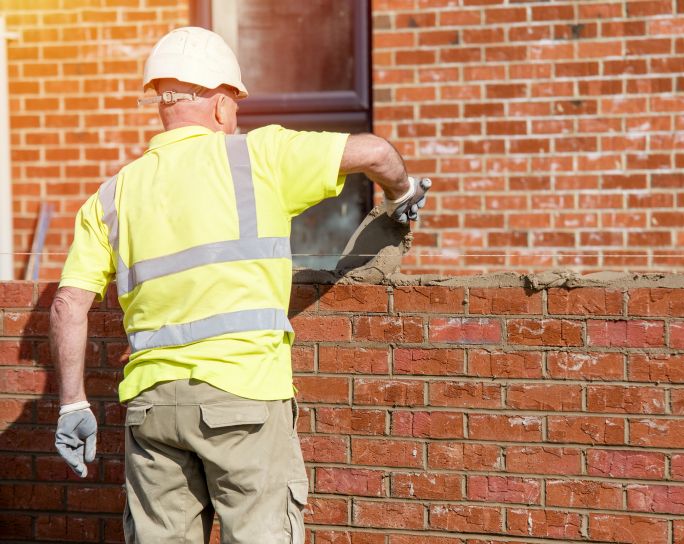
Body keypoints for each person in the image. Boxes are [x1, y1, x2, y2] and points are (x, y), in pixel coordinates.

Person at [50, 26, 430, 544]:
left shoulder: (112, 196)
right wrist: (402, 193)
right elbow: (376, 153)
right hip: (244, 397)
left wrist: (72, 403)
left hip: (152, 408)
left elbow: (68, 303)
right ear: (221, 103)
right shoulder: (258, 157)